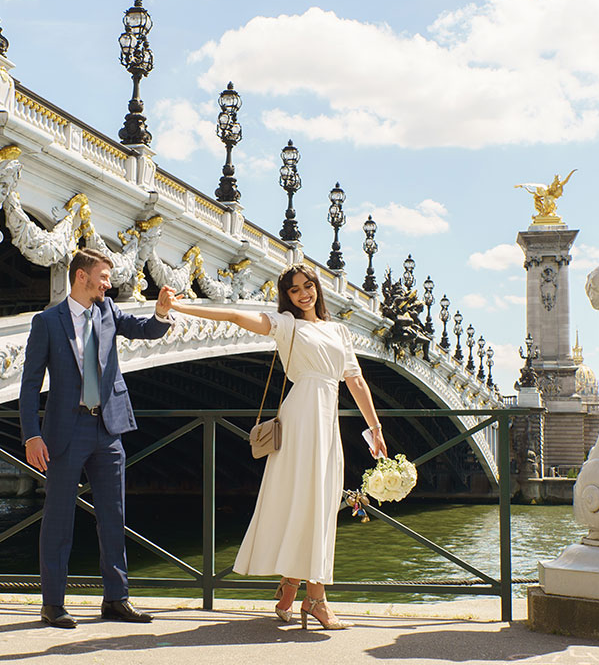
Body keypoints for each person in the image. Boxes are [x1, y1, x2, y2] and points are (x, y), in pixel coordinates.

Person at [167, 262, 387, 630]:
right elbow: (236, 316)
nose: (304, 293)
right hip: (301, 416)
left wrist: (375, 428)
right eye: (294, 289)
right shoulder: (288, 326)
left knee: (320, 500)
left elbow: (356, 381)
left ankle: (291, 585)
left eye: (308, 286)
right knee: (306, 499)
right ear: (287, 296)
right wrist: (179, 306)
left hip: (326, 417)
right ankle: (315, 599)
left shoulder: (340, 330)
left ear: (317, 287)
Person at [20, 248, 176, 628]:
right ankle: (53, 604)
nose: (109, 283)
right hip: (64, 432)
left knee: (113, 517)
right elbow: (28, 386)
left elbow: (146, 331)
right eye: (104, 277)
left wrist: (161, 311)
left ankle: (116, 599)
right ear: (81, 277)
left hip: (109, 429)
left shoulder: (107, 312)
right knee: (58, 520)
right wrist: (31, 436)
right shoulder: (47, 322)